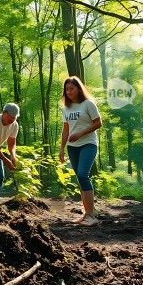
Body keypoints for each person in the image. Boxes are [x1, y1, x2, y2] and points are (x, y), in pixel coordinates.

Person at [58, 76, 102, 226]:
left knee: (83, 174)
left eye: (72, 88)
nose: (69, 91)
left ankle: (91, 216)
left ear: (78, 89)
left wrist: (81, 133)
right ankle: (86, 215)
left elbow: (98, 123)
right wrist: (62, 149)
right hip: (72, 147)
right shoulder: (66, 108)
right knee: (80, 178)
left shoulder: (88, 104)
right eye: (66, 89)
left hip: (88, 143)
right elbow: (66, 130)